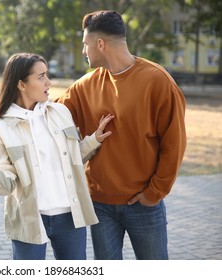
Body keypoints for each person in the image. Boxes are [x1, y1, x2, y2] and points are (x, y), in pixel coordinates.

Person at [55, 10, 187, 260]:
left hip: (143, 205)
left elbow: (174, 144)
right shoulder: (86, 85)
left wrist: (154, 193)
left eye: (85, 44)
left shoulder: (158, 82)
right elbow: (50, 115)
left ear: (100, 44)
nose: (84, 51)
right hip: (100, 207)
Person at [0, 53, 114, 260]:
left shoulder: (60, 112)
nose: (48, 82)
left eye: (47, 75)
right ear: (21, 84)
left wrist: (94, 139)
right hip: (29, 219)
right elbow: (7, 186)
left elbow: (73, 160)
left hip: (70, 216)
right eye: (41, 77)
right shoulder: (0, 129)